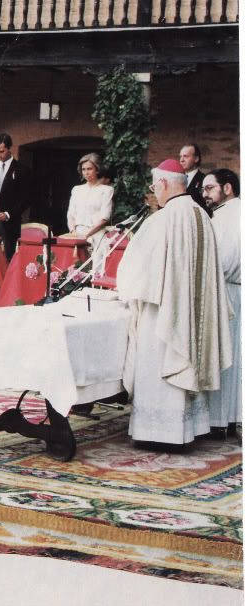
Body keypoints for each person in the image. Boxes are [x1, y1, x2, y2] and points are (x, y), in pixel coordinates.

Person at [116, 159, 232, 449]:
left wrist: (124, 288)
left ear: (165, 184)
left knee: (160, 366)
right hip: (191, 313)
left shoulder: (163, 219)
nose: (154, 190)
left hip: (162, 314)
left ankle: (158, 434)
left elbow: (137, 272)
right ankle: (189, 429)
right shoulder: (202, 215)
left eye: (155, 185)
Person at [202, 168, 241, 438]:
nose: (204, 194)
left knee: (226, 357)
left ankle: (221, 420)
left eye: (209, 188)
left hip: (227, 291)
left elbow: (223, 261)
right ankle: (230, 417)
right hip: (233, 290)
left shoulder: (228, 217)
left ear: (227, 188)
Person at [65, 152, 114, 253]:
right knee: (74, 266)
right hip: (76, 235)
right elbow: (71, 214)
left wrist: (87, 235)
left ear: (97, 170)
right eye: (84, 169)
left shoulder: (106, 190)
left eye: (89, 169)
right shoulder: (77, 189)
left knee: (96, 266)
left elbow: (105, 217)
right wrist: (73, 233)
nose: (86, 172)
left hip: (97, 235)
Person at [179, 143, 209, 215]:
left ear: (196, 159)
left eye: (185, 156)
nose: (181, 160)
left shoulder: (205, 180)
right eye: (180, 156)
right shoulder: (177, 179)